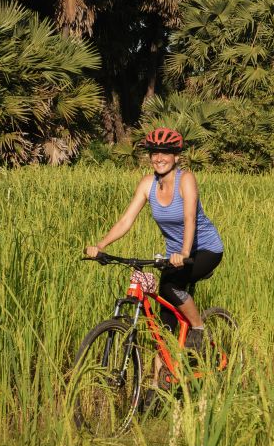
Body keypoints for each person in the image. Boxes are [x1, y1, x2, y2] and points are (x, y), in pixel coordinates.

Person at [85, 127, 223, 353]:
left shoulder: (185, 179)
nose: (159, 158)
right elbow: (125, 220)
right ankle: (160, 383)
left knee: (169, 286)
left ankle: (198, 328)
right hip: (175, 255)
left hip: (205, 249)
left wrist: (185, 252)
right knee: (165, 322)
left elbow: (190, 219)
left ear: (176, 156)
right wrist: (100, 246)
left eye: (165, 152)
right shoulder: (147, 184)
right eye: (154, 153)